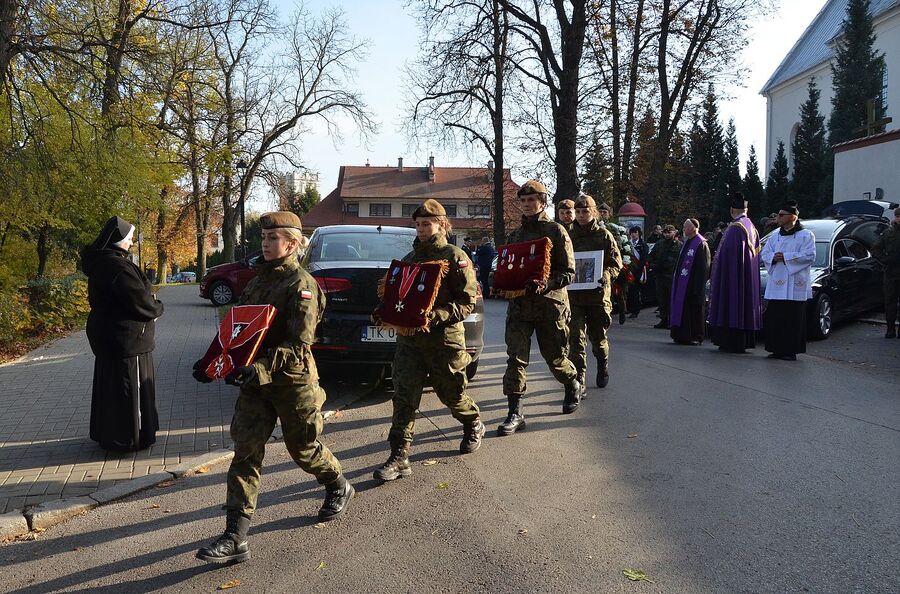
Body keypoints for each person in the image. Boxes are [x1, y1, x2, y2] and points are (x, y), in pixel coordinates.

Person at [193, 211, 352, 565]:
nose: (265, 244)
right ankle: (235, 536)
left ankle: (338, 483)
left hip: (291, 383)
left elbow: (299, 346)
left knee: (304, 450)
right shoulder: (255, 283)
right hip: (255, 383)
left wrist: (258, 368)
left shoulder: (302, 286)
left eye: (273, 238)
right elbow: (237, 333)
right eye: (264, 238)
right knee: (245, 452)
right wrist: (214, 363)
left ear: (293, 243)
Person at [375, 199, 485, 481]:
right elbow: (398, 298)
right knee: (403, 397)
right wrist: (383, 312)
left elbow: (467, 303)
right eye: (418, 224)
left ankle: (472, 422)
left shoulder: (454, 256)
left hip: (443, 341)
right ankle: (399, 455)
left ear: (441, 224)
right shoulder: (409, 261)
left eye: (427, 223)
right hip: (410, 341)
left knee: (451, 394)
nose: (422, 228)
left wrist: (436, 316)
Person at [499, 180, 582, 434]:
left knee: (555, 358)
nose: (526, 205)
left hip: (549, 306)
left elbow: (568, 272)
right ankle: (515, 412)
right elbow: (510, 267)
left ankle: (571, 383)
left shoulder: (556, 231)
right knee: (516, 359)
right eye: (523, 201)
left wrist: (545, 284)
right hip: (520, 307)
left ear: (542, 202)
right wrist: (500, 280)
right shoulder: (515, 235)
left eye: (531, 200)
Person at [82, 216, 165, 452]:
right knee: (129, 388)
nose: (131, 241)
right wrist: (157, 308)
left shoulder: (102, 262)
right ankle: (130, 437)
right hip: (127, 339)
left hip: (110, 337)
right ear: (119, 238)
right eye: (129, 237)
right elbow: (139, 301)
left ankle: (108, 433)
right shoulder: (117, 266)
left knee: (111, 387)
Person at [566, 195, 623, 389]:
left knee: (598, 340)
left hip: (597, 297)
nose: (581, 215)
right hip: (574, 297)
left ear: (594, 212)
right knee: (575, 339)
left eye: (585, 211)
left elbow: (616, 263)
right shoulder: (569, 236)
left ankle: (602, 363)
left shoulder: (604, 235)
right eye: (578, 212)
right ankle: (579, 378)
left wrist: (606, 274)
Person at [760, 201, 816, 360]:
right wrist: (773, 257)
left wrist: (786, 257)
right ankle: (775, 348)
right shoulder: (775, 234)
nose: (778, 217)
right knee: (776, 317)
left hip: (794, 283)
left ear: (792, 217)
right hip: (777, 281)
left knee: (792, 319)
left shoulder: (806, 235)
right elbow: (765, 253)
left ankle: (790, 351)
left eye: (781, 215)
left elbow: (810, 256)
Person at [707, 192, 762, 353]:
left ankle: (729, 341)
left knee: (731, 302)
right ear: (747, 209)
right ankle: (742, 341)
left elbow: (726, 257)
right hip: (747, 277)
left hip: (732, 277)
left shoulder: (734, 228)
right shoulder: (752, 227)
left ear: (732, 210)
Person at [670, 218, 711, 345]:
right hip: (683, 285)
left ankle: (694, 336)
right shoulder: (686, 243)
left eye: (685, 227)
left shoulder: (700, 244)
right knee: (682, 310)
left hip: (693, 286)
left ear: (693, 228)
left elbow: (704, 268)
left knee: (693, 311)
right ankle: (680, 335)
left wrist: (698, 288)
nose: (683, 229)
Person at [597, 202, 629, 324]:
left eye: (605, 212)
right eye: (601, 212)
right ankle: (607, 314)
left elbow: (622, 245)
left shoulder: (614, 228)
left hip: (615, 262)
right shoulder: (594, 226)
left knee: (620, 291)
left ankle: (622, 310)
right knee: (606, 291)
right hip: (602, 262)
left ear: (609, 214)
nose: (602, 214)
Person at [872, 206, 900, 338]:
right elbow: (876, 249)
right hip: (890, 272)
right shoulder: (888, 233)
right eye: (899, 217)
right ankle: (890, 329)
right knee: (890, 302)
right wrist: (885, 260)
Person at [647, 224, 682, 329]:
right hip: (660, 275)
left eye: (669, 232)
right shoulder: (659, 244)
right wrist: (653, 266)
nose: (667, 234)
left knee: (671, 299)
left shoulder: (679, 245)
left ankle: (671, 320)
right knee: (662, 298)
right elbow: (651, 256)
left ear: (674, 232)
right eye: (665, 232)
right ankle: (664, 319)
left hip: (672, 276)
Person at [625, 226, 649, 319]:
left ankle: (635, 310)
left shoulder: (643, 245)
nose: (633, 234)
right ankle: (629, 308)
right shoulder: (627, 244)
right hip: (628, 270)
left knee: (635, 291)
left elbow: (643, 259)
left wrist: (638, 269)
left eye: (635, 232)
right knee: (629, 291)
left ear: (639, 233)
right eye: (632, 233)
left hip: (638, 271)